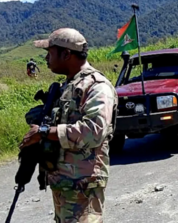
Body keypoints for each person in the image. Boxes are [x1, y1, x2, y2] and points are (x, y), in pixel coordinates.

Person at [19, 28, 118, 222]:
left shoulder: (96, 86)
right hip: (65, 181)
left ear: (66, 54)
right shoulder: (68, 86)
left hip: (83, 183)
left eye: (50, 53)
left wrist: (45, 132)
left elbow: (94, 131)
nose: (46, 59)